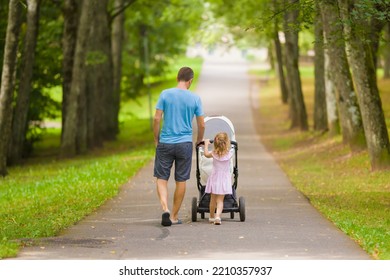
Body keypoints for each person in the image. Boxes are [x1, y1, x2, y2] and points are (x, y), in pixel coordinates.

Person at [153, 66, 205, 226]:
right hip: (184, 144)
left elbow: (156, 119)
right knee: (180, 180)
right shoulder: (195, 98)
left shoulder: (165, 94)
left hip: (166, 142)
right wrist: (199, 140)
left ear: (177, 78)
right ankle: (174, 216)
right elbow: (201, 124)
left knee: (161, 178)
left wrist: (156, 139)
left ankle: (165, 209)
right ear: (190, 81)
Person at [204, 132, 233, 225]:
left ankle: (211, 217)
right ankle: (217, 217)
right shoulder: (229, 154)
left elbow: (205, 154)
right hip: (224, 180)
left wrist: (206, 145)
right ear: (226, 143)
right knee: (220, 200)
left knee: (212, 199)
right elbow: (229, 149)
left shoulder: (213, 153)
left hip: (215, 179)